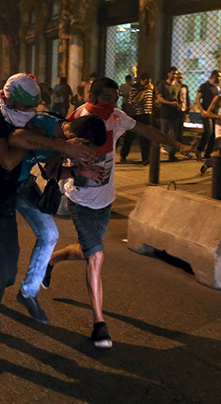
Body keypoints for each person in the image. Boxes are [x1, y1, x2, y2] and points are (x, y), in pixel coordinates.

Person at [43, 77, 199, 349]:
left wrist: (180, 145)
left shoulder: (116, 117)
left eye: (115, 98)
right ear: (91, 95)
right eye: (106, 98)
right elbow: (51, 168)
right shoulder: (74, 121)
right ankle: (99, 325)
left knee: (87, 252)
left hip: (106, 200)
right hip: (80, 201)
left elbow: (147, 130)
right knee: (97, 256)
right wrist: (80, 171)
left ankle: (51, 261)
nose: (112, 104)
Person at [0, 73, 96, 369]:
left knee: (6, 275)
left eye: (33, 110)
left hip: (6, 202)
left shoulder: (36, 125)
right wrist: (59, 145)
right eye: (23, 109)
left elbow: (46, 168)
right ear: (7, 99)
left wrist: (80, 170)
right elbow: (8, 157)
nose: (28, 115)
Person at [0, 114, 107, 324]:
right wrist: (63, 146)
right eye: (84, 151)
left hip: (23, 185)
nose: (84, 156)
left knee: (50, 235)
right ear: (74, 137)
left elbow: (52, 172)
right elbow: (16, 139)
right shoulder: (41, 125)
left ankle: (28, 292)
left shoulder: (66, 145)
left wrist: (79, 171)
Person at [119, 72, 154, 164]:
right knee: (130, 136)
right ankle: (123, 155)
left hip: (147, 114)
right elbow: (135, 100)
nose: (149, 83)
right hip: (136, 115)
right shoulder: (135, 88)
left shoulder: (150, 88)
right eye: (147, 81)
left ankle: (146, 158)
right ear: (143, 80)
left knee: (146, 137)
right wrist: (144, 90)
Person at [156, 67, 183, 161]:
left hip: (175, 113)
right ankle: (158, 152)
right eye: (173, 73)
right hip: (165, 112)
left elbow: (179, 98)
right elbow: (159, 98)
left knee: (175, 134)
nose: (174, 75)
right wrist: (170, 103)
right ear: (168, 74)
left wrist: (180, 104)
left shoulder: (177, 86)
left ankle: (172, 154)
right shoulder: (163, 84)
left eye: (175, 74)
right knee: (164, 132)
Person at [196, 71, 221, 159]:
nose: (220, 79)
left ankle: (208, 153)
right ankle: (199, 150)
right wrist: (202, 110)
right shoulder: (204, 86)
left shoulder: (218, 87)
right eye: (219, 76)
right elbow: (198, 99)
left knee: (214, 133)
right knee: (208, 132)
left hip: (215, 113)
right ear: (214, 76)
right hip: (206, 112)